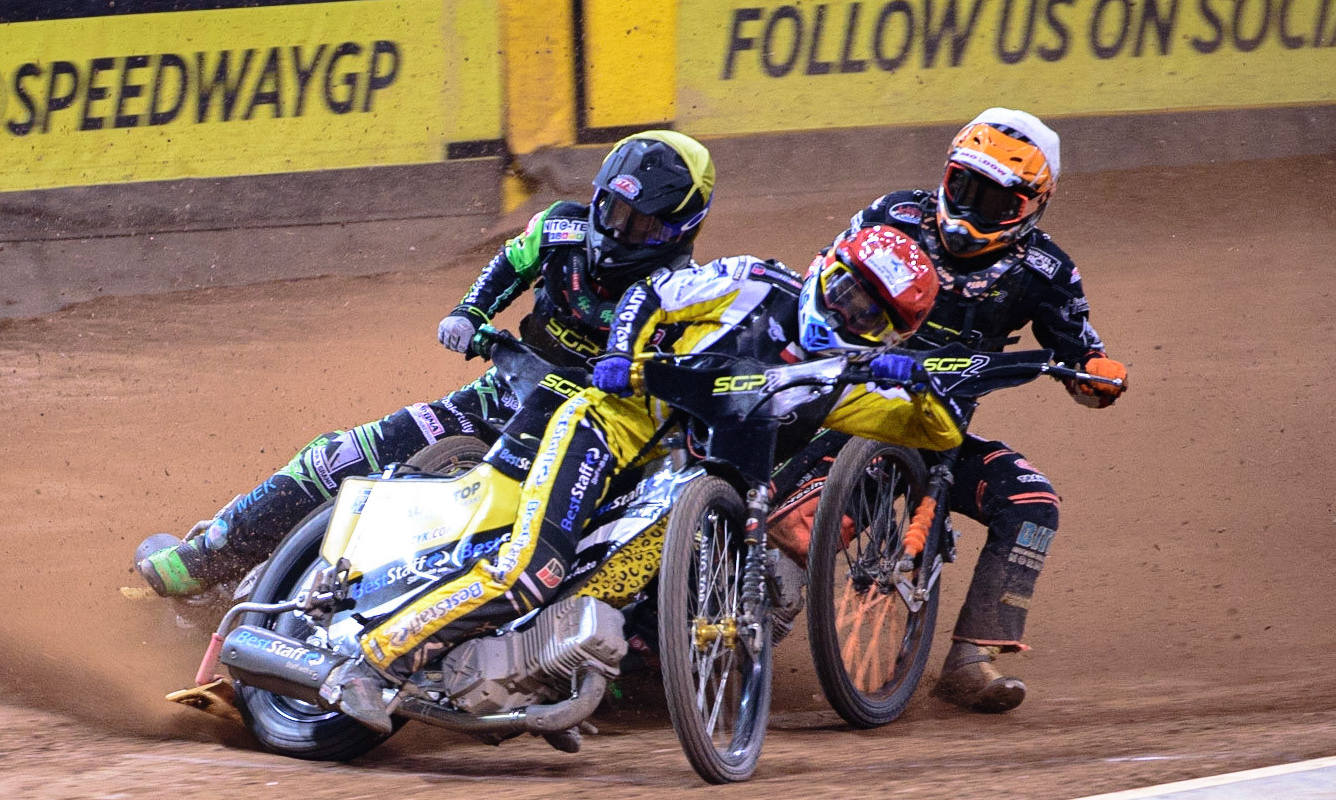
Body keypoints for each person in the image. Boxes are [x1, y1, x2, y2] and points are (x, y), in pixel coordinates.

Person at [323, 224, 967, 734]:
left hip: (670, 486)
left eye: (870, 318)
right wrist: (620, 357)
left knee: (600, 599)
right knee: (531, 571)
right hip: (608, 426)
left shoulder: (842, 383)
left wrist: (922, 382)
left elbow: (940, 433)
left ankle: (535, 680)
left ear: (895, 333)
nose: (848, 316)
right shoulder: (752, 281)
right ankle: (369, 663)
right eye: (846, 292)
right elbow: (653, 293)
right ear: (825, 267)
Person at [136, 130, 716, 598]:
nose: (614, 228)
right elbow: (511, 264)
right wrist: (470, 312)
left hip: (591, 443)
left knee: (621, 544)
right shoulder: (562, 225)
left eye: (637, 222)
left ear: (678, 229)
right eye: (610, 207)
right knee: (344, 453)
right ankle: (213, 553)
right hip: (502, 397)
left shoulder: (690, 293)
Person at [813, 107, 1128, 713]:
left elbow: (1081, 353)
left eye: (997, 202)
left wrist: (1097, 377)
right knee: (787, 507)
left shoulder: (1047, 271)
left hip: (941, 433)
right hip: (839, 406)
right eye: (964, 187)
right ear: (946, 173)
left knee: (1033, 503)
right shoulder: (894, 216)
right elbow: (818, 281)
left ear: (1034, 206)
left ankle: (969, 660)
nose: (972, 210)